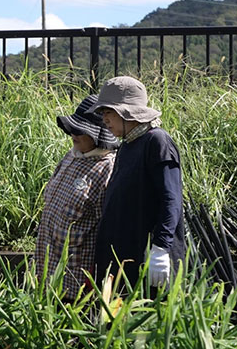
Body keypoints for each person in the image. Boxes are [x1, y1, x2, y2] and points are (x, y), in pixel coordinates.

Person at [91, 76, 185, 294]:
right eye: (103, 113)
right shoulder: (126, 146)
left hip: (148, 260)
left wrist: (161, 247)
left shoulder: (157, 141)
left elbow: (171, 199)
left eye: (108, 112)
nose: (105, 120)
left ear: (127, 111)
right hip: (123, 262)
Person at [35, 95, 119, 301]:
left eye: (81, 130)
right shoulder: (71, 156)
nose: (73, 134)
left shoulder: (108, 168)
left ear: (99, 134)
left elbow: (109, 229)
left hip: (77, 279)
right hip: (47, 268)